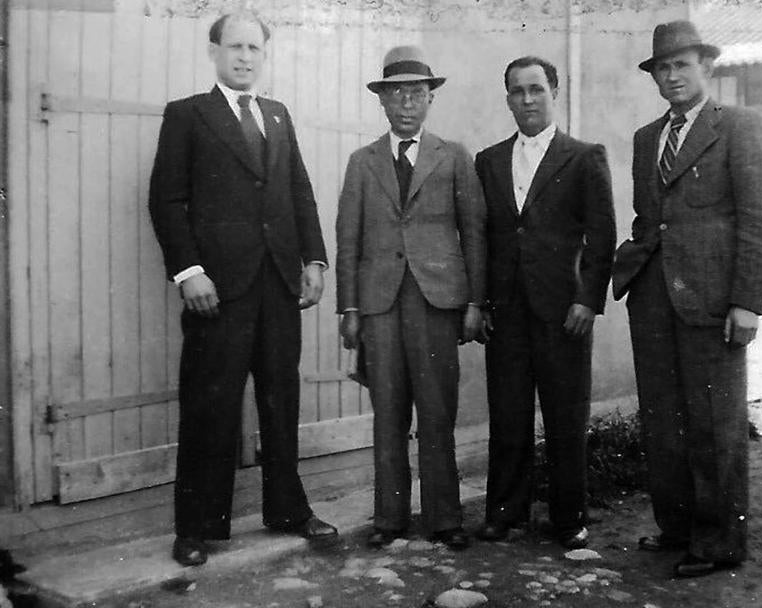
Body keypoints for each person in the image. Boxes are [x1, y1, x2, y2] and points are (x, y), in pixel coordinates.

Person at [149, 12, 339, 567]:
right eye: (235, 47)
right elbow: (166, 200)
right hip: (218, 289)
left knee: (281, 401)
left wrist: (315, 260)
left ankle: (288, 510)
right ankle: (197, 527)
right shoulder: (188, 115)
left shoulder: (277, 116)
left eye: (254, 48)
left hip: (278, 286)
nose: (245, 57)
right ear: (214, 51)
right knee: (210, 405)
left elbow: (299, 191)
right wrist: (189, 272)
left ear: (264, 54)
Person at [611, 20, 762, 577]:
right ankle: (676, 526)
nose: (672, 75)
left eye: (682, 64)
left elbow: (758, 220)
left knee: (714, 423)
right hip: (655, 299)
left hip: (711, 301)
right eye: (663, 67)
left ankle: (719, 541)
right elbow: (648, 219)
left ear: (707, 67)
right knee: (663, 420)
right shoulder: (644, 139)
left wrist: (747, 301)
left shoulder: (740, 126)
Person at [335, 46, 486, 551]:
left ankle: (445, 519)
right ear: (382, 101)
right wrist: (350, 309)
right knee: (388, 413)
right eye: (396, 93)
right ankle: (390, 518)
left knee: (438, 411)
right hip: (379, 307)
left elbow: (475, 233)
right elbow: (348, 240)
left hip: (437, 302)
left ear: (430, 99)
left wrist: (475, 302)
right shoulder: (362, 163)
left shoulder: (454, 156)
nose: (406, 103)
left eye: (416, 93)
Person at [474, 56, 616, 549]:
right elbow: (487, 236)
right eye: (517, 91)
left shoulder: (583, 156)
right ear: (508, 98)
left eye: (536, 89)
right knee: (508, 414)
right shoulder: (488, 161)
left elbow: (602, 237)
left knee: (564, 416)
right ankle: (504, 512)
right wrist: (485, 302)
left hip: (563, 312)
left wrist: (588, 301)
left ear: (554, 92)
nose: (527, 100)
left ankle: (568, 516)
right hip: (508, 309)